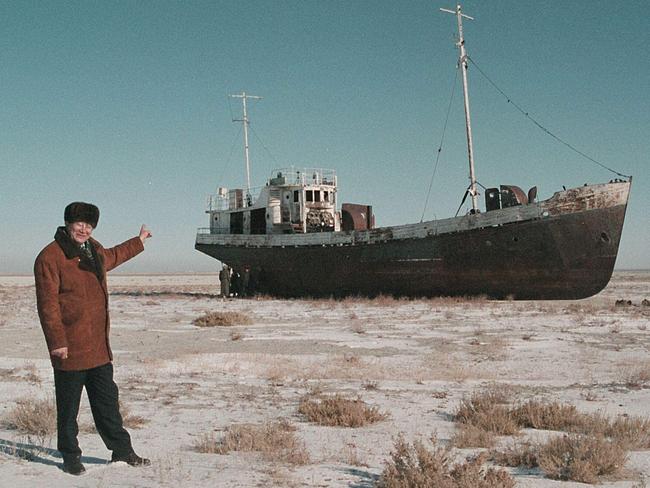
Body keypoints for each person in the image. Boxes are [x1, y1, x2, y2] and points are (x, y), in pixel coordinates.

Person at [34, 202, 152, 475]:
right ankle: (70, 456)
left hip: (98, 346)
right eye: (79, 223)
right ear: (67, 223)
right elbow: (48, 305)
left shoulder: (94, 250)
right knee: (68, 409)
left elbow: (114, 255)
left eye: (89, 225)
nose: (84, 229)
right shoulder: (50, 257)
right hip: (70, 347)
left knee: (107, 404)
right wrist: (57, 342)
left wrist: (139, 240)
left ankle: (122, 451)